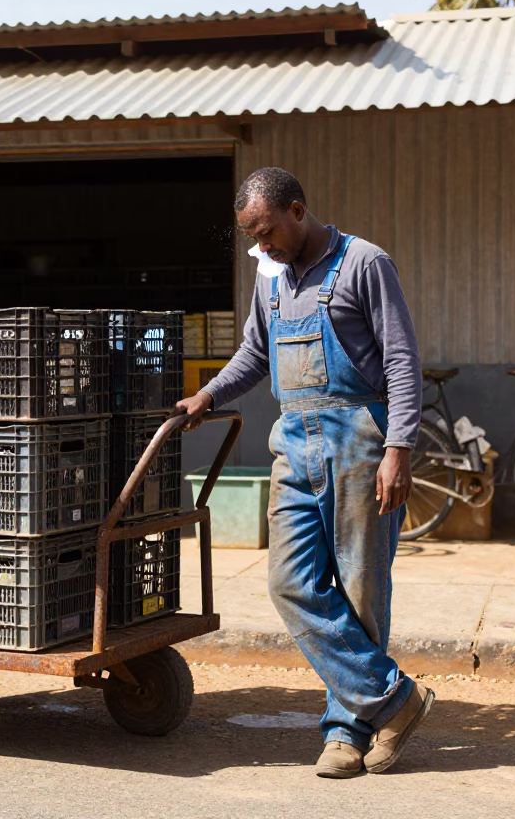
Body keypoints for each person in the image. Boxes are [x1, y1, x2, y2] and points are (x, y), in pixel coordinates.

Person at [175, 167, 432, 778]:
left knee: (361, 589)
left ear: (298, 211)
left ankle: (347, 732)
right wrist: (207, 396)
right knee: (290, 582)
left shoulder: (365, 263)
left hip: (360, 441)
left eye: (267, 233)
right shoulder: (272, 279)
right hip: (293, 443)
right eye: (253, 239)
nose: (262, 247)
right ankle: (398, 700)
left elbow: (402, 360)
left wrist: (399, 448)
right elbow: (255, 355)